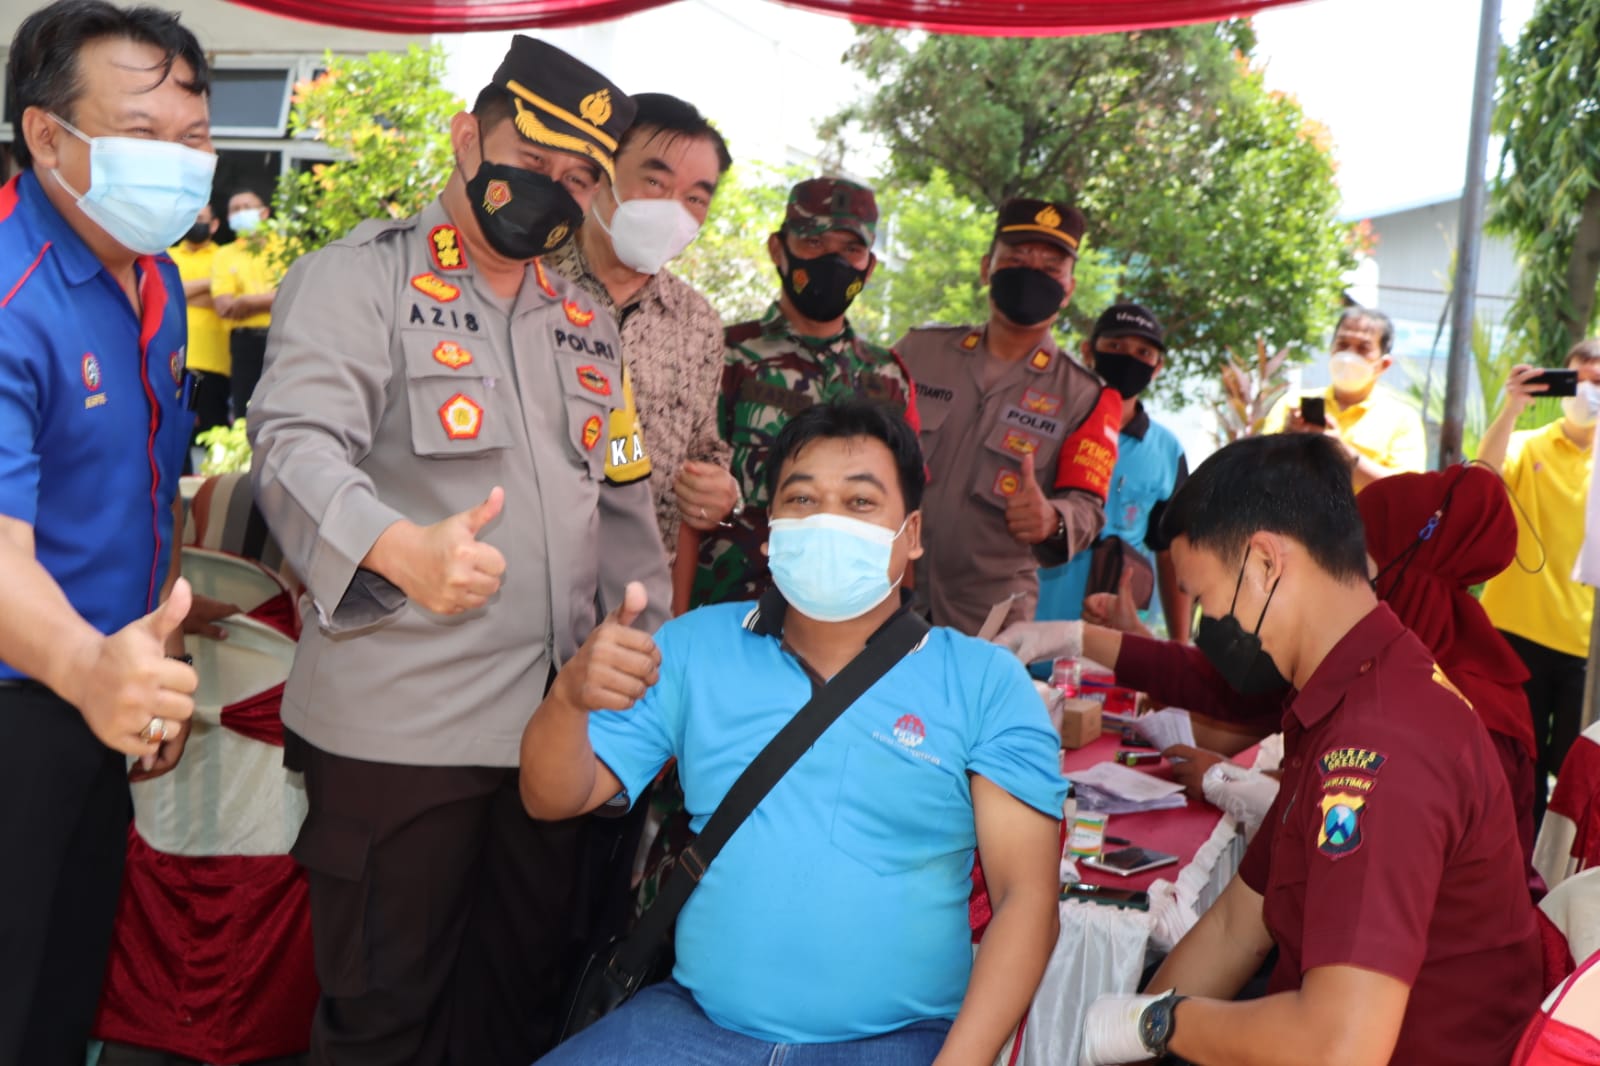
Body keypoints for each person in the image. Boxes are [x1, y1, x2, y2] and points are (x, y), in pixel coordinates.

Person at [247, 37, 669, 1066]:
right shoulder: (360, 281)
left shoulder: (588, 327)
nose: (552, 190)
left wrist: (642, 638)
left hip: (550, 737)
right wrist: (396, 545)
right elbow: (293, 442)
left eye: (580, 179)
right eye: (534, 158)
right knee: (385, 1019)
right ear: (467, 135)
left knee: (515, 1008)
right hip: (401, 733)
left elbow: (625, 494)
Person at [523, 401, 1065, 1066]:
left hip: (902, 1042)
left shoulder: (984, 681)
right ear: (772, 528)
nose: (828, 520)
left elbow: (1026, 898)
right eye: (802, 498)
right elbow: (553, 796)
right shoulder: (692, 648)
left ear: (913, 531)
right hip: (692, 1028)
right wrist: (568, 699)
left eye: (860, 502)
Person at [1071, 434, 1539, 1066]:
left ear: (1265, 563)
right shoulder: (1344, 693)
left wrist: (1158, 1024)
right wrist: (1130, 1032)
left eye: (1207, 600)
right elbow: (1241, 923)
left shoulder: (1381, 744)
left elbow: (1337, 1048)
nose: (1211, 625)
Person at [0, 2, 213, 1060]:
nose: (176, 164)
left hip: (100, 687)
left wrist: (145, 661)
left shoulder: (157, 278)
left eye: (194, 138)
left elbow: (148, 489)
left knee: (69, 976)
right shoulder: (8, 291)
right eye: (142, 133)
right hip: (22, 697)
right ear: (48, 135)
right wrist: (90, 667)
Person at [896, 197, 1121, 636]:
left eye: (1051, 268)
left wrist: (1051, 520)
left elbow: (1087, 510)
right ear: (986, 268)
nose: (1032, 273)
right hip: (884, 596)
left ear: (1069, 287)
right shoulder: (918, 352)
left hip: (989, 617)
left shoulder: (1086, 396)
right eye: (1016, 258)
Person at [690, 176, 918, 608]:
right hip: (735, 605)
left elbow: (905, 512)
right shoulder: (725, 354)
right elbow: (685, 499)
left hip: (855, 618)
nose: (832, 260)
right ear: (779, 250)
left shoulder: (888, 374)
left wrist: (900, 618)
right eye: (814, 242)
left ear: (868, 267)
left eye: (850, 249)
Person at [547, 92, 735, 587]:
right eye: (654, 181)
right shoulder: (526, 282)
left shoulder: (697, 323)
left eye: (695, 198)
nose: (674, 211)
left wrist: (717, 492)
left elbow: (702, 460)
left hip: (632, 601)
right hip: (516, 596)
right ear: (601, 171)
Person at [1480, 340, 1600, 823]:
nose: (1589, 391)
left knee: (1574, 783)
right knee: (1510, 774)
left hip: (1584, 649)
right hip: (1515, 634)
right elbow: (1483, 473)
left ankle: (1553, 891)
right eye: (1580, 379)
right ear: (1561, 381)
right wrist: (1512, 406)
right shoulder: (1529, 443)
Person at [1035, 302, 1190, 641]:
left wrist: (1178, 647)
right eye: (1116, 347)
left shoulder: (1167, 450)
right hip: (1031, 627)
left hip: (1113, 641)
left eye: (1143, 352)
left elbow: (1170, 552)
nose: (1129, 358)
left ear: (1158, 367)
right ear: (1088, 351)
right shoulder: (1049, 425)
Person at [1264, 306, 1426, 490]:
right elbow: (1260, 472)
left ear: (1384, 364)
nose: (1349, 356)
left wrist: (1340, 453)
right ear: (1331, 349)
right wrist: (1288, 438)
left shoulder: (1402, 420)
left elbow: (1406, 490)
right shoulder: (1291, 404)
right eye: (1342, 345)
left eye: (1363, 348)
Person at [210, 186, 278, 415]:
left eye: (246, 207)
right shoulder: (224, 254)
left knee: (281, 406)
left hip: (283, 338)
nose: (240, 212)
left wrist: (246, 301)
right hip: (244, 343)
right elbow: (223, 306)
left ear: (264, 213)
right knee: (245, 410)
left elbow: (293, 295)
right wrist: (269, 299)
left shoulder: (286, 248)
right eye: (234, 209)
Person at [168, 202, 230, 441]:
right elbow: (166, 294)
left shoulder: (224, 256)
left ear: (214, 225)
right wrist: (209, 283)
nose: (196, 223)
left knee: (213, 433)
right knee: (171, 434)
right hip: (173, 359)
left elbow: (224, 301)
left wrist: (181, 292)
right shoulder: (166, 255)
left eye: (201, 218)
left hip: (214, 361)